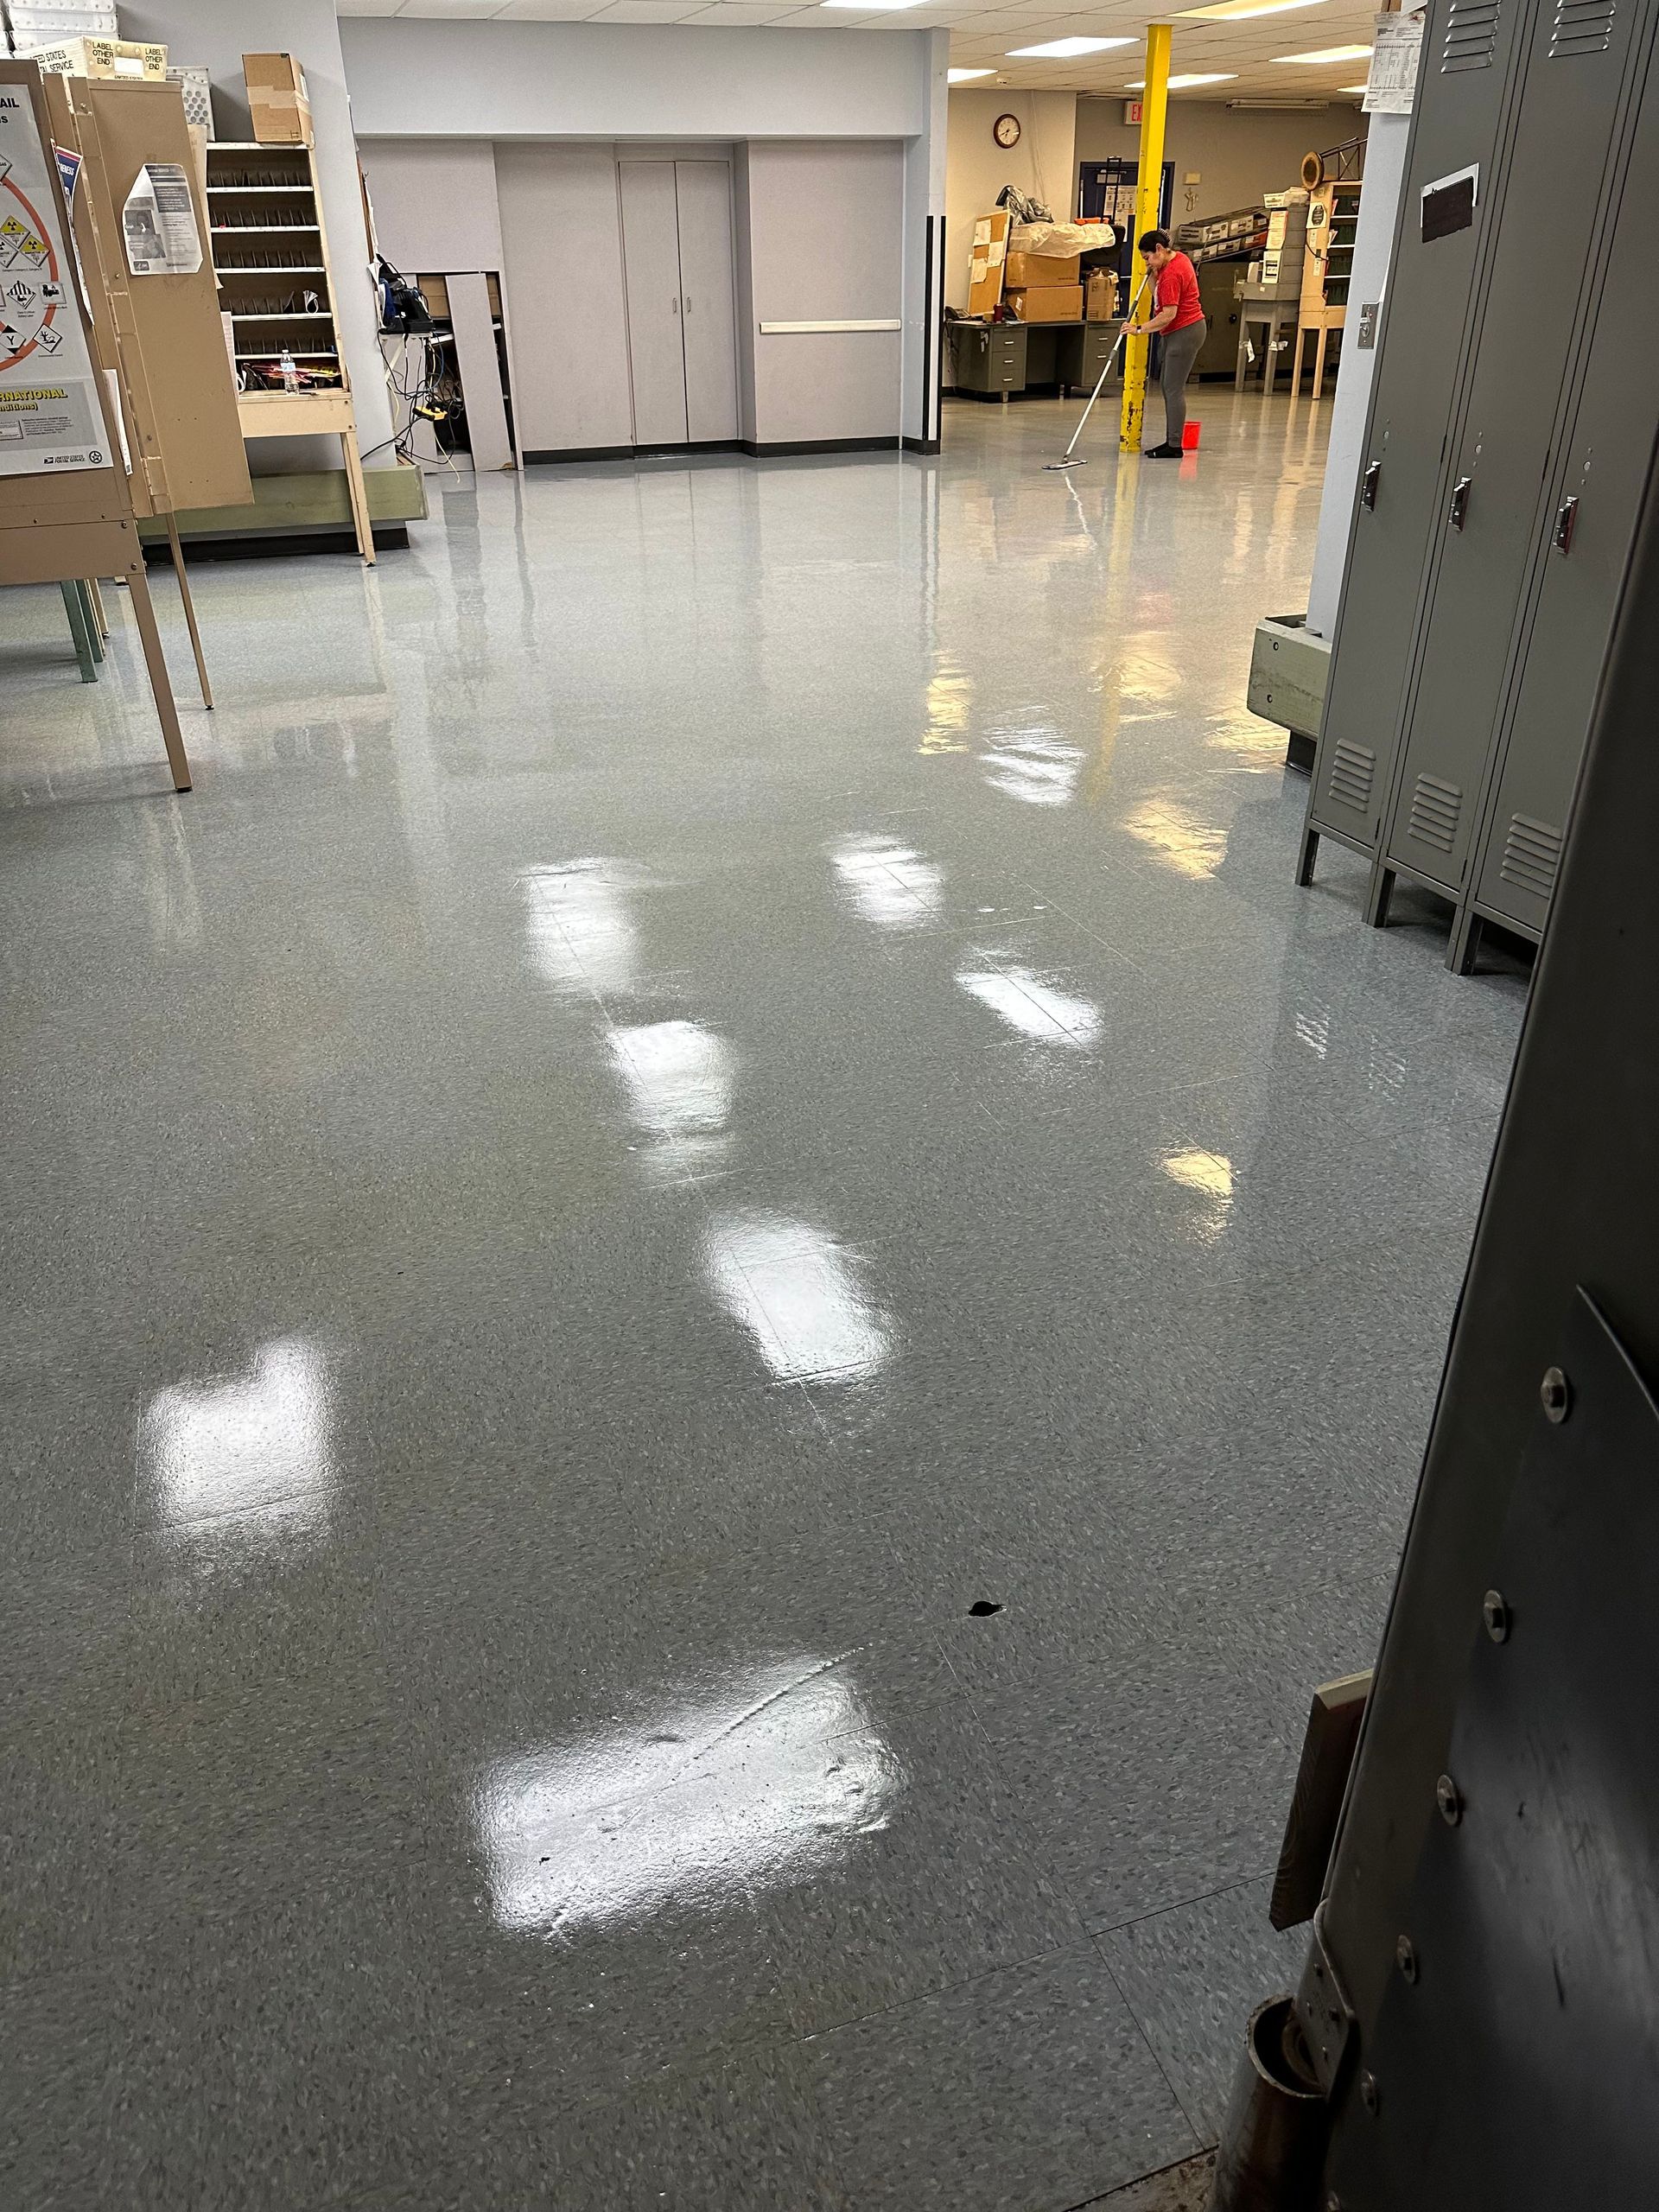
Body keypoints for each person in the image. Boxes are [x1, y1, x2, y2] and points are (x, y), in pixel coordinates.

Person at [1126, 229, 1207, 458]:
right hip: (1177, 332)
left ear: (1159, 249)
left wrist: (1139, 330)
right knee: (1167, 386)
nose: (1148, 261)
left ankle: (1174, 446)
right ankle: (1171, 441)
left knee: (1172, 389)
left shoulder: (1172, 273)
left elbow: (1168, 314)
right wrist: (1152, 274)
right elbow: (1159, 298)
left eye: (1148, 257)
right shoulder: (1178, 258)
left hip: (1185, 331)